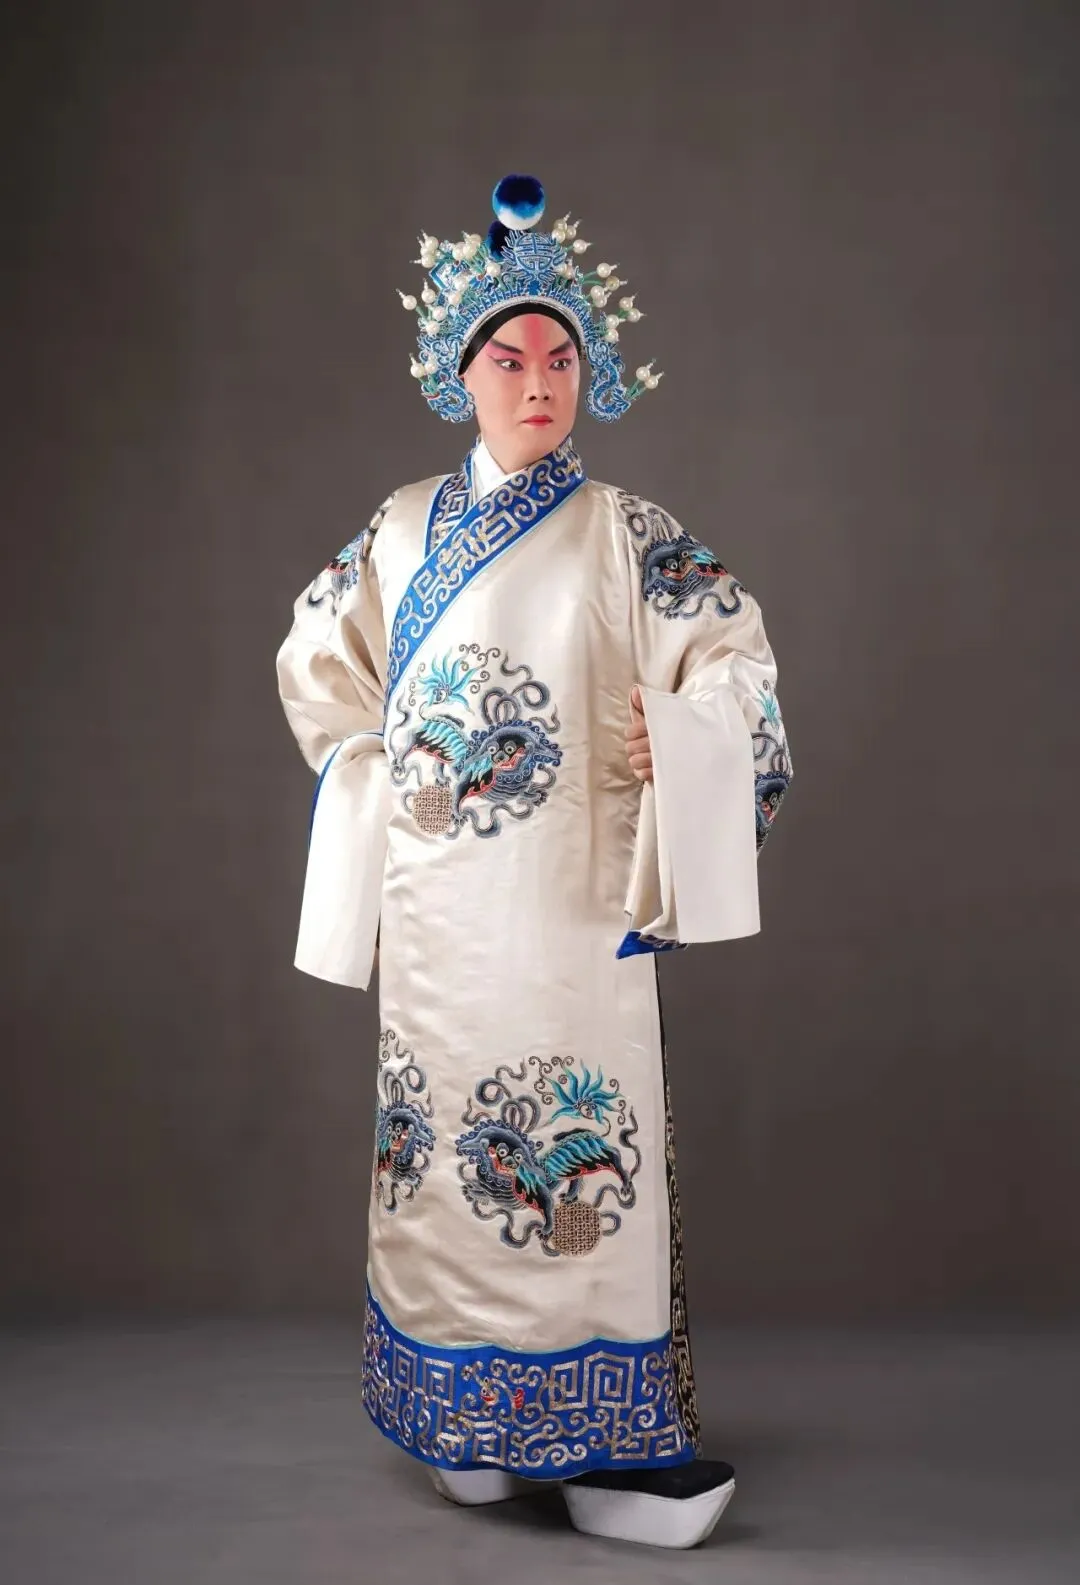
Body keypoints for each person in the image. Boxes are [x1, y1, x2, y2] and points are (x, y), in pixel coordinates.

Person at [276, 175, 792, 1550]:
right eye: (508, 358)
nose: (538, 381)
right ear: (462, 377)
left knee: (575, 1151)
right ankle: (466, 1424)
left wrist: (678, 731)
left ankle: (609, 1442)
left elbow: (736, 664)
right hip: (439, 920)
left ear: (591, 372)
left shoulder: (629, 533)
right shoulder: (399, 529)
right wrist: (383, 774)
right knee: (443, 1164)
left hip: (572, 910)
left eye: (560, 357)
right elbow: (320, 667)